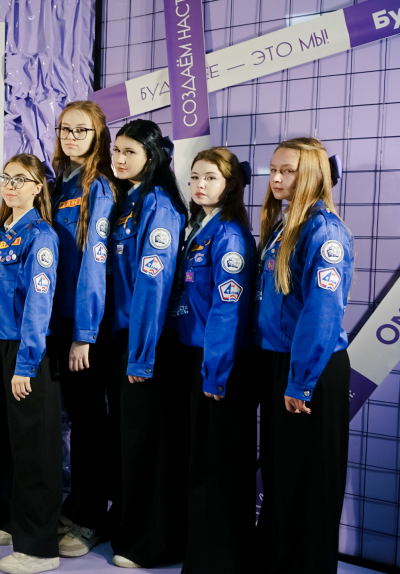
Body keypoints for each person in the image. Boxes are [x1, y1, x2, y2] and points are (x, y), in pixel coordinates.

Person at [254, 138, 352, 574]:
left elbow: (322, 312)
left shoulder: (324, 232)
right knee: (282, 478)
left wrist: (302, 380)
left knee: (309, 485)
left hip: (312, 369)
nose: (276, 178)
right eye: (273, 169)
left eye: (287, 171)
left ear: (311, 173)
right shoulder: (285, 224)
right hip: (282, 362)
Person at [107, 119, 188, 569]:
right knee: (128, 445)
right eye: (117, 150)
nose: (119, 159)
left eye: (130, 152)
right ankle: (127, 529)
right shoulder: (129, 199)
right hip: (124, 338)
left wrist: (141, 355)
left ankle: (148, 544)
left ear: (152, 157)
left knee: (147, 447)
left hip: (149, 344)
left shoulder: (158, 204)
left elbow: (152, 286)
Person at [174, 148, 257, 573]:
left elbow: (229, 310)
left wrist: (217, 373)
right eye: (194, 177)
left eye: (210, 178)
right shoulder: (199, 228)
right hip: (195, 357)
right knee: (201, 461)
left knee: (218, 466)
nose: (199, 185)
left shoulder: (229, 236)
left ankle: (219, 559)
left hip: (219, 365)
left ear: (230, 185)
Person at [0, 153, 62, 574]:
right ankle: (14, 521)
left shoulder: (40, 236)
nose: (11, 185)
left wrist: (26, 363)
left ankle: (39, 547)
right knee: (7, 443)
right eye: (7, 178)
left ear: (38, 187)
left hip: (25, 350)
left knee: (33, 448)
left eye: (21, 179)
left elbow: (38, 303)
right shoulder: (4, 232)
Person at [46, 101, 118, 558]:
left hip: (84, 326)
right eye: (65, 129)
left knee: (91, 422)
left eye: (81, 130)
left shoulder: (99, 187)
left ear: (98, 136)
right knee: (75, 418)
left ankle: (92, 517)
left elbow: (94, 264)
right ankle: (77, 504)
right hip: (57, 320)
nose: (71, 137)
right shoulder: (60, 183)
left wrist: (84, 335)